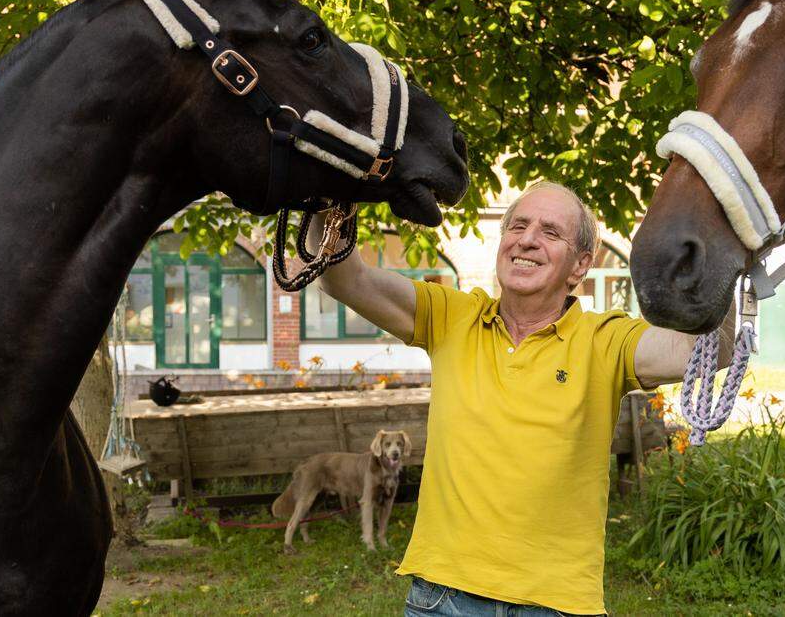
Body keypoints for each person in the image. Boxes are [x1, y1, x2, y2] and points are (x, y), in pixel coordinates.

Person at [309, 181, 733, 616]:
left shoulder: (605, 339)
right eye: (517, 226)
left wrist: (728, 239)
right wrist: (325, 195)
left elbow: (703, 351)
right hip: (442, 597)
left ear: (580, 265)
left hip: (553, 604)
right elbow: (346, 279)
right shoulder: (451, 316)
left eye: (550, 232)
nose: (527, 239)